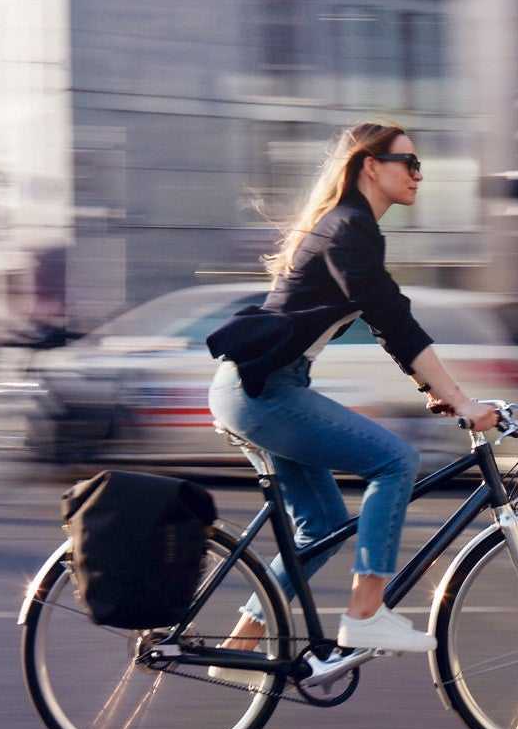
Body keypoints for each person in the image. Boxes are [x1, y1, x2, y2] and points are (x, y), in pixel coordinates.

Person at [206, 120, 500, 656]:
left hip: (258, 387)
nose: (418, 175)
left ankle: (240, 646)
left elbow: (388, 324)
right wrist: (459, 399)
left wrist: (430, 389)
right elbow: (394, 318)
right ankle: (366, 612)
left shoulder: (346, 228)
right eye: (408, 163)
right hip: (262, 391)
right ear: (372, 166)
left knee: (319, 525)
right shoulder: (350, 228)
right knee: (396, 463)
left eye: (420, 166)